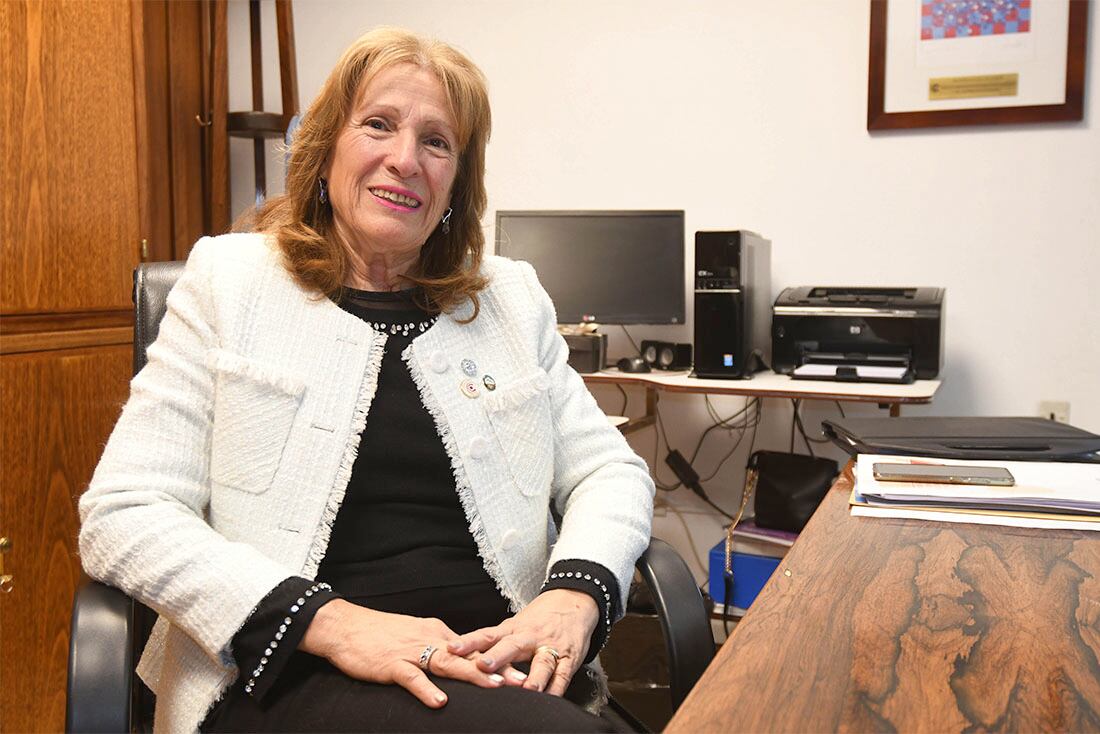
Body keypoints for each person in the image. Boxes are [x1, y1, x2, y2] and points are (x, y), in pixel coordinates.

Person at [78, 26, 654, 734]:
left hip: (500, 667)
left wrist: (577, 590)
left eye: (437, 142)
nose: (405, 160)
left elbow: (610, 471)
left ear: (456, 182)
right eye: (378, 125)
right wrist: (333, 624)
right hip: (291, 673)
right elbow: (122, 514)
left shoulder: (509, 299)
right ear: (324, 152)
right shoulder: (231, 284)